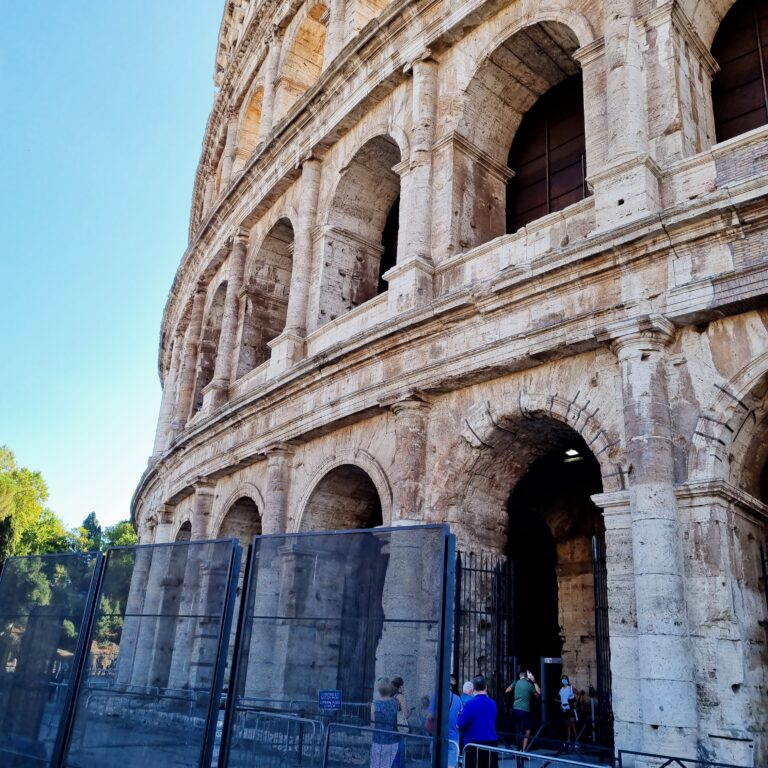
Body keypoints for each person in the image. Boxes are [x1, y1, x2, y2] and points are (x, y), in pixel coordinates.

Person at [457, 675, 498, 768]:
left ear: (473, 689)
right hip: (491, 745)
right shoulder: (493, 703)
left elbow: (459, 724)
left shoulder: (470, 704)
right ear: (486, 687)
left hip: (474, 746)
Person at [505, 669, 540, 751]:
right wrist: (533, 682)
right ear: (526, 677)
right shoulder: (529, 684)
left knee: (517, 728)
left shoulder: (516, 682)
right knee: (527, 730)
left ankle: (517, 747)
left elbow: (507, 691)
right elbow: (537, 696)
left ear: (520, 677)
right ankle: (523, 750)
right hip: (525, 710)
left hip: (515, 709)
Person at [371, 678, 400, 768]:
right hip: (393, 740)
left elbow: (372, 725)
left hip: (378, 740)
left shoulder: (374, 704)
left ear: (379, 690)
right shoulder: (396, 703)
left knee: (376, 765)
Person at [391, 676, 410, 768]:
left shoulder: (392, 696)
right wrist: (410, 712)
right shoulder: (401, 697)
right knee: (401, 750)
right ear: (401, 686)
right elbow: (405, 715)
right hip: (400, 727)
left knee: (393, 750)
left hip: (392, 725)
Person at [558, 675, 582, 744]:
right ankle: (568, 740)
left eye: (565, 679)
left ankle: (577, 741)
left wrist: (576, 703)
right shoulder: (561, 690)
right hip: (564, 709)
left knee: (573, 724)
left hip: (571, 709)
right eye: (563, 679)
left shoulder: (571, 688)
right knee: (568, 725)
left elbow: (579, 693)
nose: (564, 680)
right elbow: (562, 700)